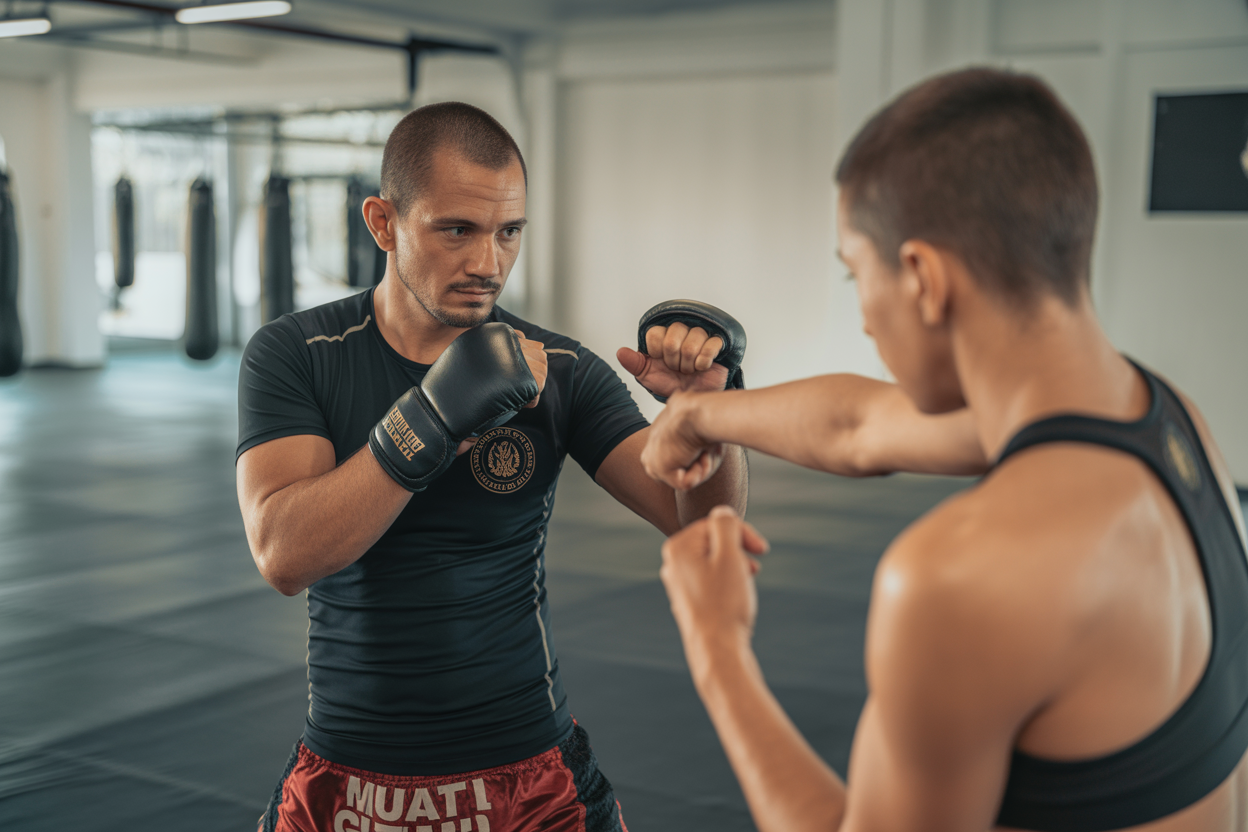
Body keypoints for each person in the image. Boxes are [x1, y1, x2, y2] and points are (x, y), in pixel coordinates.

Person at [642, 68, 1248, 831]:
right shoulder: (1169, 421)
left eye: (857, 274)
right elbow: (858, 427)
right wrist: (704, 417)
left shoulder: (961, 576)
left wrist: (715, 647)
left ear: (924, 277)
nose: (863, 317)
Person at [235, 101, 747, 832]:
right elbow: (283, 554)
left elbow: (708, 523)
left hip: (530, 782)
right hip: (346, 785)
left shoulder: (558, 369)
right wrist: (430, 420)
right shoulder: (300, 354)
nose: (488, 263)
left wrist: (709, 420)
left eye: (509, 232)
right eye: (457, 230)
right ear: (383, 223)